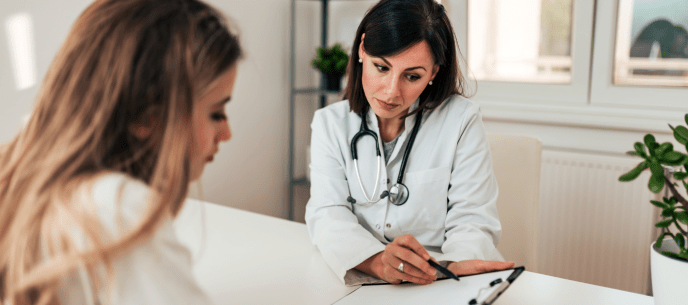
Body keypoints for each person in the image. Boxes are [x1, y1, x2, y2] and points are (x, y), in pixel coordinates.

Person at [0, 0, 242, 303]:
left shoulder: (14, 174)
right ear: (147, 116)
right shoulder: (119, 211)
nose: (227, 134)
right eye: (216, 113)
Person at [305, 0, 514, 286]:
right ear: (362, 50)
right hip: (364, 277)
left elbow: (473, 221)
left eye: (412, 76)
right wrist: (377, 262)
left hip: (438, 281)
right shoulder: (330, 124)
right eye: (381, 67)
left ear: (434, 73)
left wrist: (450, 268)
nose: (391, 92)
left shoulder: (461, 120)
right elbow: (327, 213)